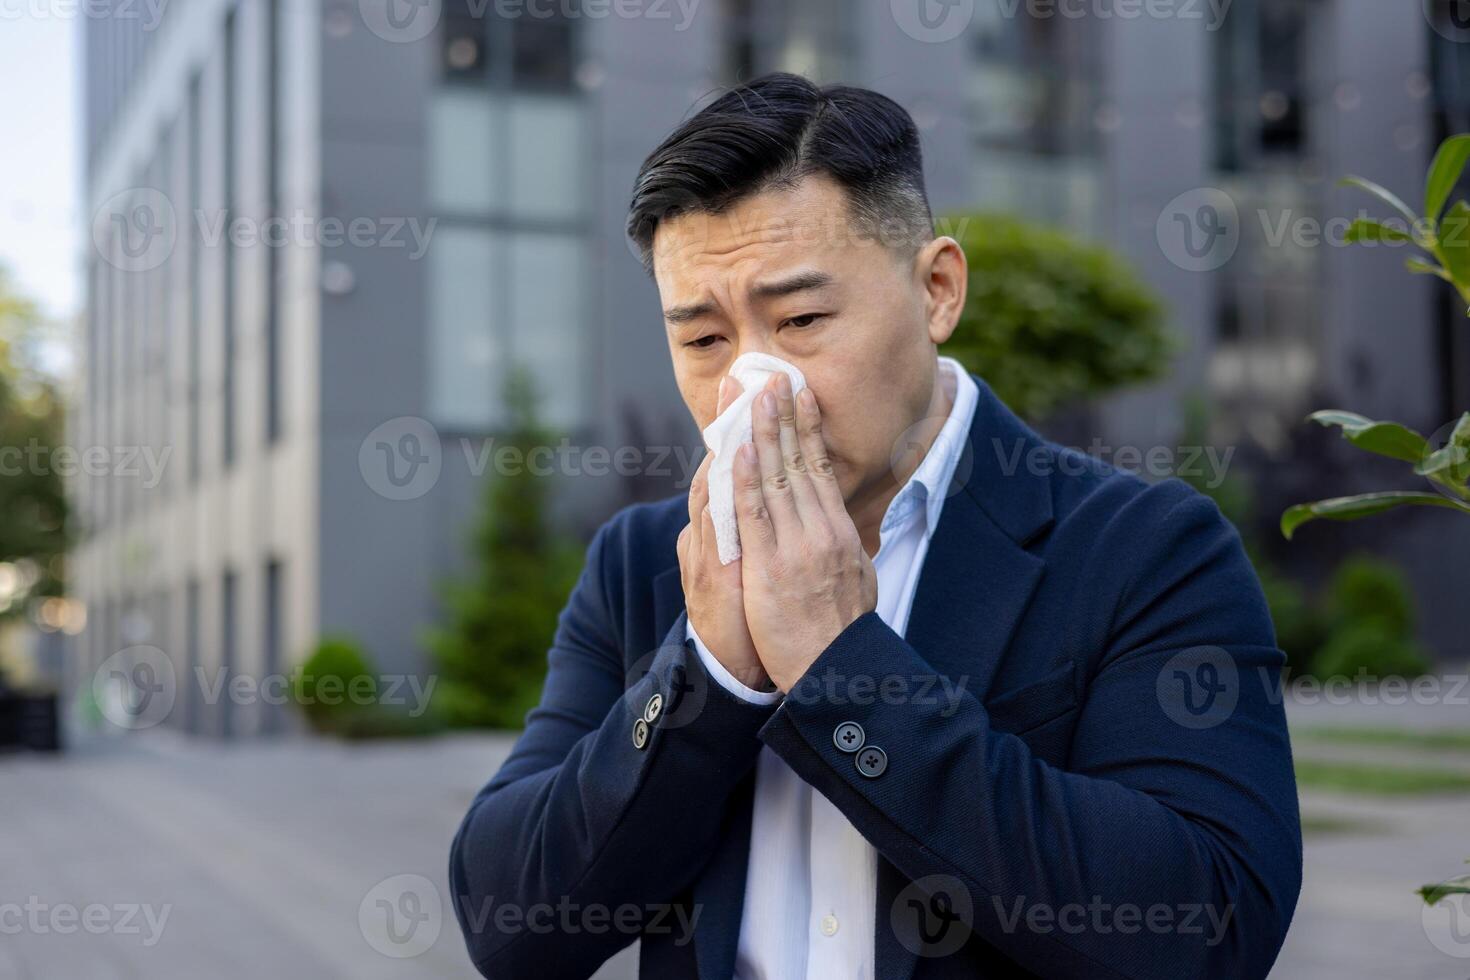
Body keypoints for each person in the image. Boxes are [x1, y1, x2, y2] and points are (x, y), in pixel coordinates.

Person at [449, 72, 1301, 980]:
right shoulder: (643, 562)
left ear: (937, 290)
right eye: (703, 340)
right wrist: (707, 674)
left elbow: (1210, 924)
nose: (752, 386)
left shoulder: (1144, 548)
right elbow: (510, 928)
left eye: (803, 319)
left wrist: (843, 669)